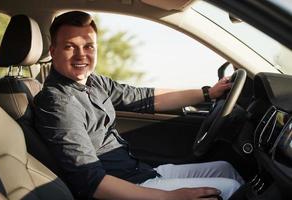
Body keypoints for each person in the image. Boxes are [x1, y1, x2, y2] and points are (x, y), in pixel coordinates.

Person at [34, 11, 243, 200]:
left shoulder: (93, 82)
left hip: (141, 172)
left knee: (226, 169)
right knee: (230, 188)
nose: (81, 55)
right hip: (129, 187)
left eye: (88, 46)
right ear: (53, 51)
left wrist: (208, 93)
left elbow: (145, 97)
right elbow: (91, 181)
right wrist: (169, 198)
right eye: (70, 47)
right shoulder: (57, 103)